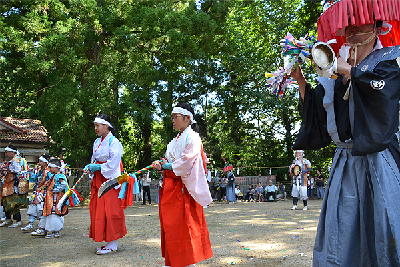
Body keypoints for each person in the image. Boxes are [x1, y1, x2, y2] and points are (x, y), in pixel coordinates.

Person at [290, 1, 400, 265]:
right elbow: (319, 110)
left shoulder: (390, 59)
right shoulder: (335, 66)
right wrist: (300, 80)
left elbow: (383, 95)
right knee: (341, 233)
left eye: (359, 23)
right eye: (347, 24)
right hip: (345, 162)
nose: (351, 30)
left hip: (378, 160)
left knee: (385, 229)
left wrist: (347, 70)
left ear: (376, 25)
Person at [153, 103, 213, 267]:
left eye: (175, 117)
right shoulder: (174, 141)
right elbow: (170, 160)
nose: (172, 120)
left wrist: (169, 166)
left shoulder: (193, 137)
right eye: (172, 117)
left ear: (187, 118)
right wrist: (161, 163)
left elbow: (187, 162)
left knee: (184, 227)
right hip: (171, 187)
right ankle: (173, 261)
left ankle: (186, 263)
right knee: (171, 226)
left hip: (183, 188)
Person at [84, 113, 127, 255]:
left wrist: (100, 167)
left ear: (106, 126)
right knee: (99, 210)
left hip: (109, 179)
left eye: (98, 125)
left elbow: (114, 163)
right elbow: (94, 159)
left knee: (110, 210)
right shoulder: (96, 142)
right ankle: (107, 241)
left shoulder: (114, 142)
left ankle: (112, 243)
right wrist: (90, 166)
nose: (95, 128)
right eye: (95, 126)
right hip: (98, 178)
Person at [0, 145, 29, 228]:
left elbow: (18, 171)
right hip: (7, 184)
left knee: (13, 203)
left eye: (6, 152)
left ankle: (18, 221)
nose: (5, 154)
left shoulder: (16, 160)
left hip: (13, 185)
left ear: (12, 152)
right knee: (6, 201)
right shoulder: (13, 160)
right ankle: (8, 219)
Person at [21, 153, 50, 232]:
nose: (39, 163)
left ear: (45, 163)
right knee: (33, 206)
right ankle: (30, 223)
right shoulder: (39, 170)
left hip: (43, 192)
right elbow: (35, 180)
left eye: (40, 161)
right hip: (37, 191)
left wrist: (44, 190)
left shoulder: (48, 171)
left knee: (40, 208)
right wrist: (30, 173)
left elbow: (49, 182)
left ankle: (42, 226)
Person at [42, 158, 68, 238]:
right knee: (51, 213)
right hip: (52, 197)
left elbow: (64, 184)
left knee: (56, 213)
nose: (49, 169)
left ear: (57, 167)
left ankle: (56, 231)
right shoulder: (52, 175)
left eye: (50, 167)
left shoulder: (59, 176)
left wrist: (55, 190)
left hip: (57, 197)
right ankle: (51, 230)